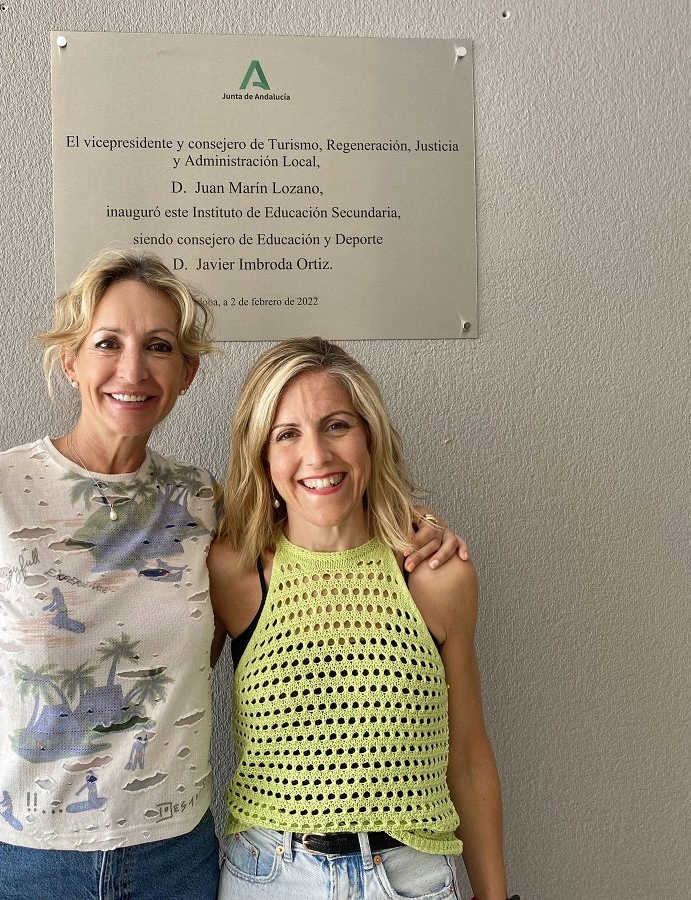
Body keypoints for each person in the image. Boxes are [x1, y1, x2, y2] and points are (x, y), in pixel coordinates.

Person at [0, 253, 466, 900]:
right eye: (107, 343)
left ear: (187, 372)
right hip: (19, 864)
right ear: (70, 360)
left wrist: (418, 527)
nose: (132, 369)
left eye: (159, 346)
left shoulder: (203, 505)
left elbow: (318, 522)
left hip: (172, 864)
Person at [208, 337, 512, 900]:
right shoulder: (234, 572)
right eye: (287, 434)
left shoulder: (436, 576)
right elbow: (164, 710)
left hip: (413, 878)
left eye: (337, 426)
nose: (317, 456)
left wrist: (494, 896)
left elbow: (468, 755)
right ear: (262, 456)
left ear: (370, 436)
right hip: (270, 876)